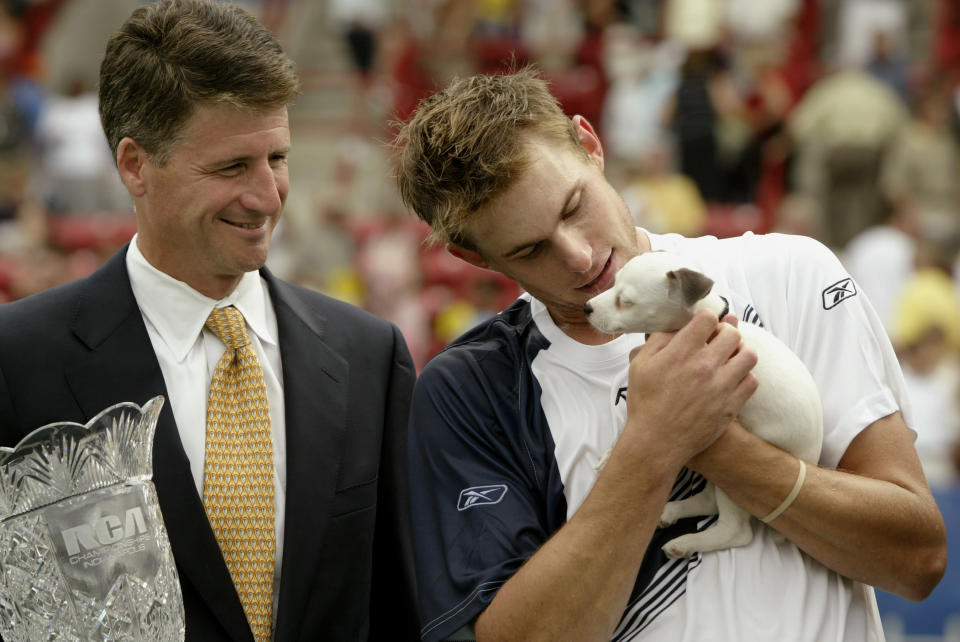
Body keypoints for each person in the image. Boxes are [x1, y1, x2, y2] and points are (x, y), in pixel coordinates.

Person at [393, 68, 946, 641]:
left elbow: (916, 560)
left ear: (589, 144)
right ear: (476, 258)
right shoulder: (470, 389)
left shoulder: (794, 273)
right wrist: (653, 442)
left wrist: (720, 446)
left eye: (573, 207)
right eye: (530, 250)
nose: (580, 258)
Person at [0, 1, 418, 640]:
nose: (267, 196)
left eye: (277, 159)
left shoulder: (369, 357)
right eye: (231, 168)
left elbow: (398, 608)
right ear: (135, 165)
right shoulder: (19, 360)